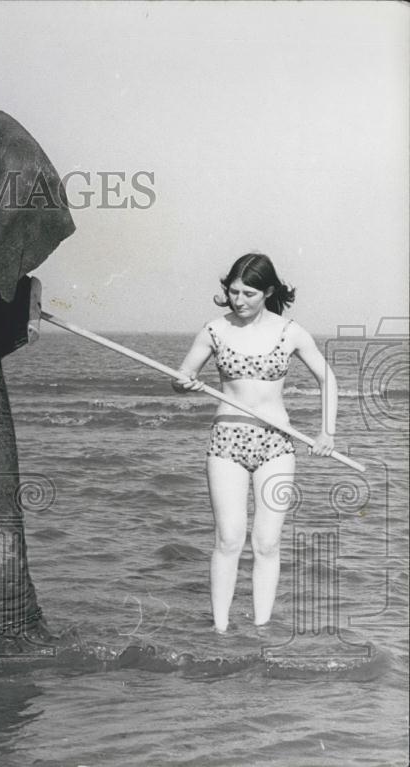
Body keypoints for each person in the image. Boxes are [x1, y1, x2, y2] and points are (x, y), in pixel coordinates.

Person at [172, 253, 338, 634]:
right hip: (226, 441)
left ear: (268, 292)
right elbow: (180, 377)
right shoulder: (214, 330)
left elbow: (327, 379)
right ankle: (220, 631)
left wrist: (326, 432)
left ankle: (262, 630)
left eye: (248, 292)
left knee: (266, 543)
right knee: (228, 539)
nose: (239, 300)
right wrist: (183, 383)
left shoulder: (290, 331)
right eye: (233, 291)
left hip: (277, 445)